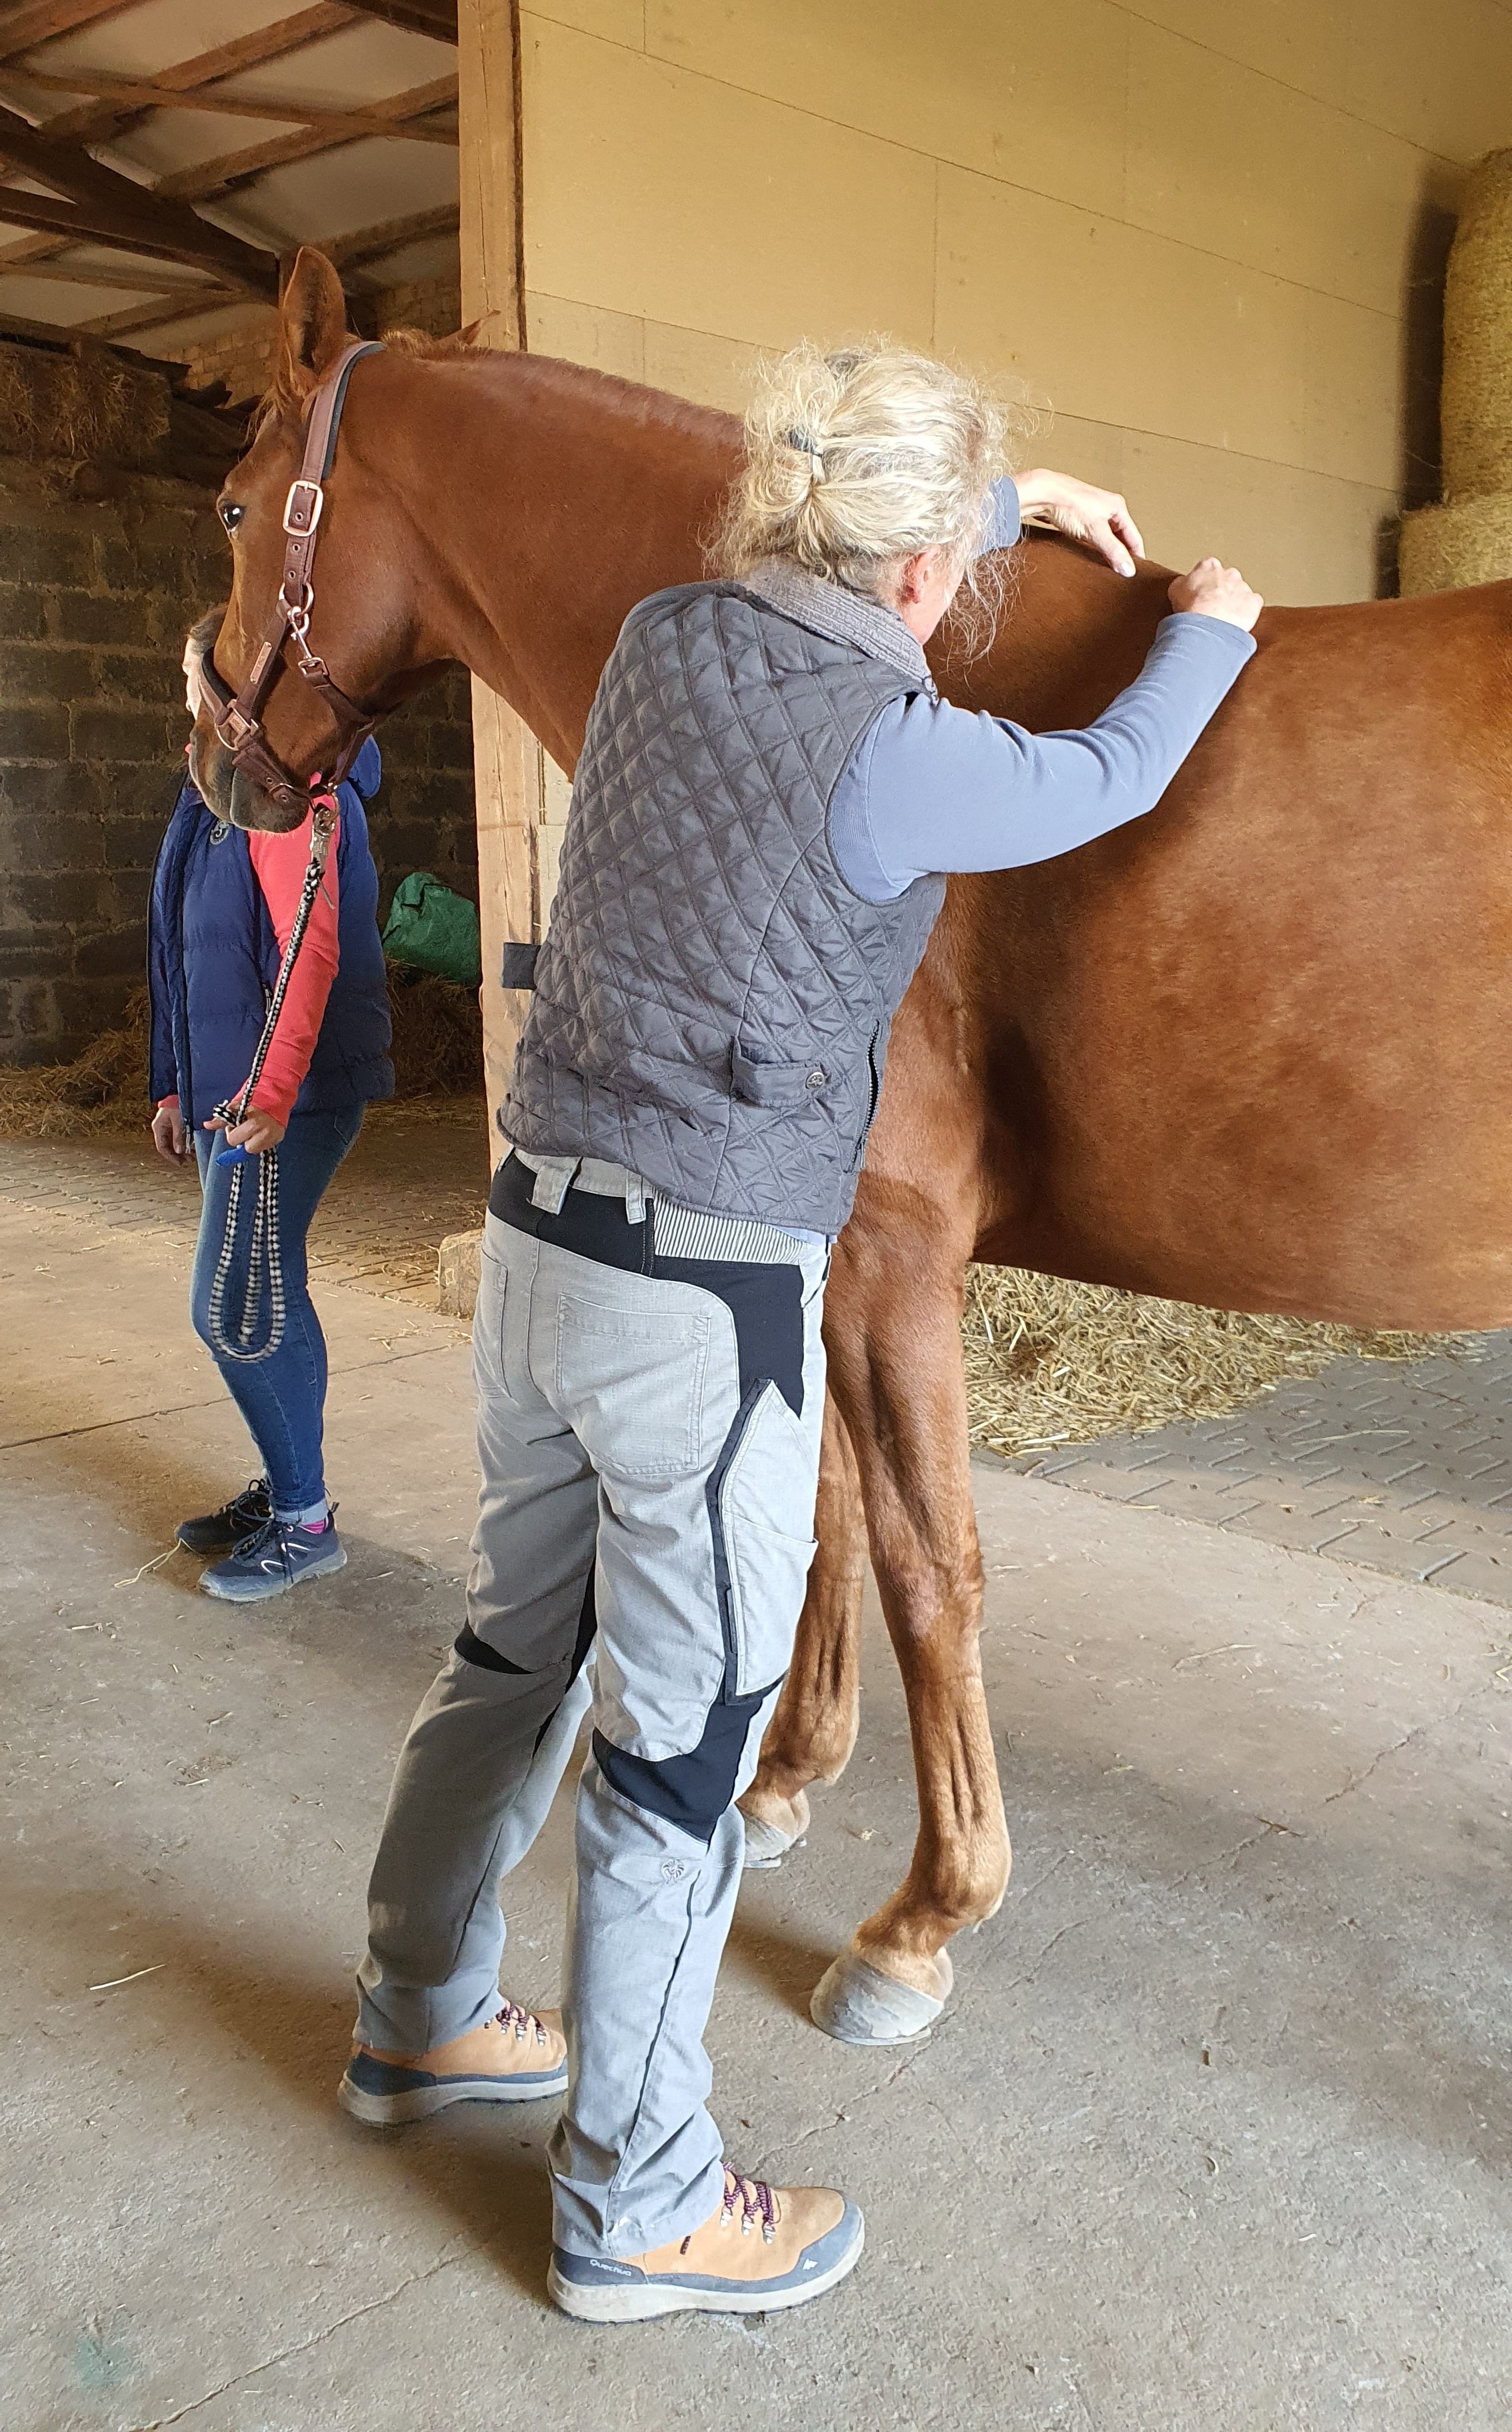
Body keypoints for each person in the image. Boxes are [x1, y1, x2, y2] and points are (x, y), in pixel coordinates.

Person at [343, 343, 1263, 2324]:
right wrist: (1208, 627)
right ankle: (640, 2201)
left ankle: (418, 2014)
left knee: (511, 1653)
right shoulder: (896, 744)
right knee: (681, 1754)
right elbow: (1111, 775)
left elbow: (828, 547)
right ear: (921, 571)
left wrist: (1004, 506)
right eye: (954, 556)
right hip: (699, 1297)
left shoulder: (663, 637)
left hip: (533, 1244)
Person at [147, 736, 393, 1603]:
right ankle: (290, 1484)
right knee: (270, 1287)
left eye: (201, 678)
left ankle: (305, 1523)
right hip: (228, 1086)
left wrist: (274, 1089)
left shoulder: (292, 789)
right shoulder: (208, 792)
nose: (196, 694)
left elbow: (307, 950)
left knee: (231, 1308)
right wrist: (174, 1083)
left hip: (284, 1094)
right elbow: (182, 949)